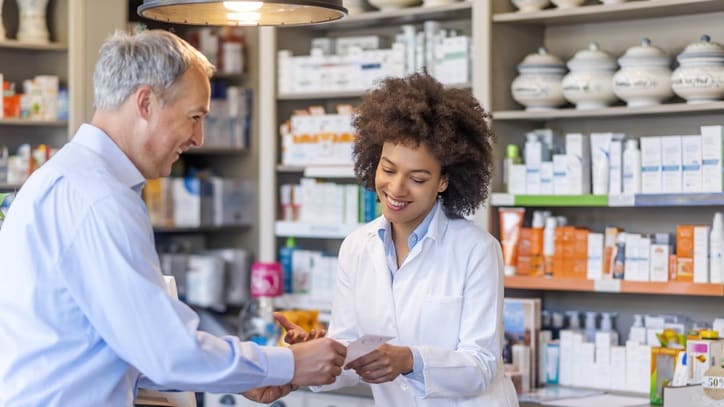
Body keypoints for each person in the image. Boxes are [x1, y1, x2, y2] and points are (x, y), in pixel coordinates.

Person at [0, 29, 346, 406]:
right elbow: (164, 350)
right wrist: (289, 363)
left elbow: (115, 344)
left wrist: (237, 377)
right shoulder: (99, 199)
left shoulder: (66, 178)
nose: (198, 137)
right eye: (194, 117)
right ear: (145, 102)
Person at [290, 73, 519, 406]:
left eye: (417, 178)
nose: (396, 189)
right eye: (388, 169)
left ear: (443, 181)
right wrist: (314, 356)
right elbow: (353, 358)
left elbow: (482, 366)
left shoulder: (476, 250)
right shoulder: (356, 247)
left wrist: (410, 360)